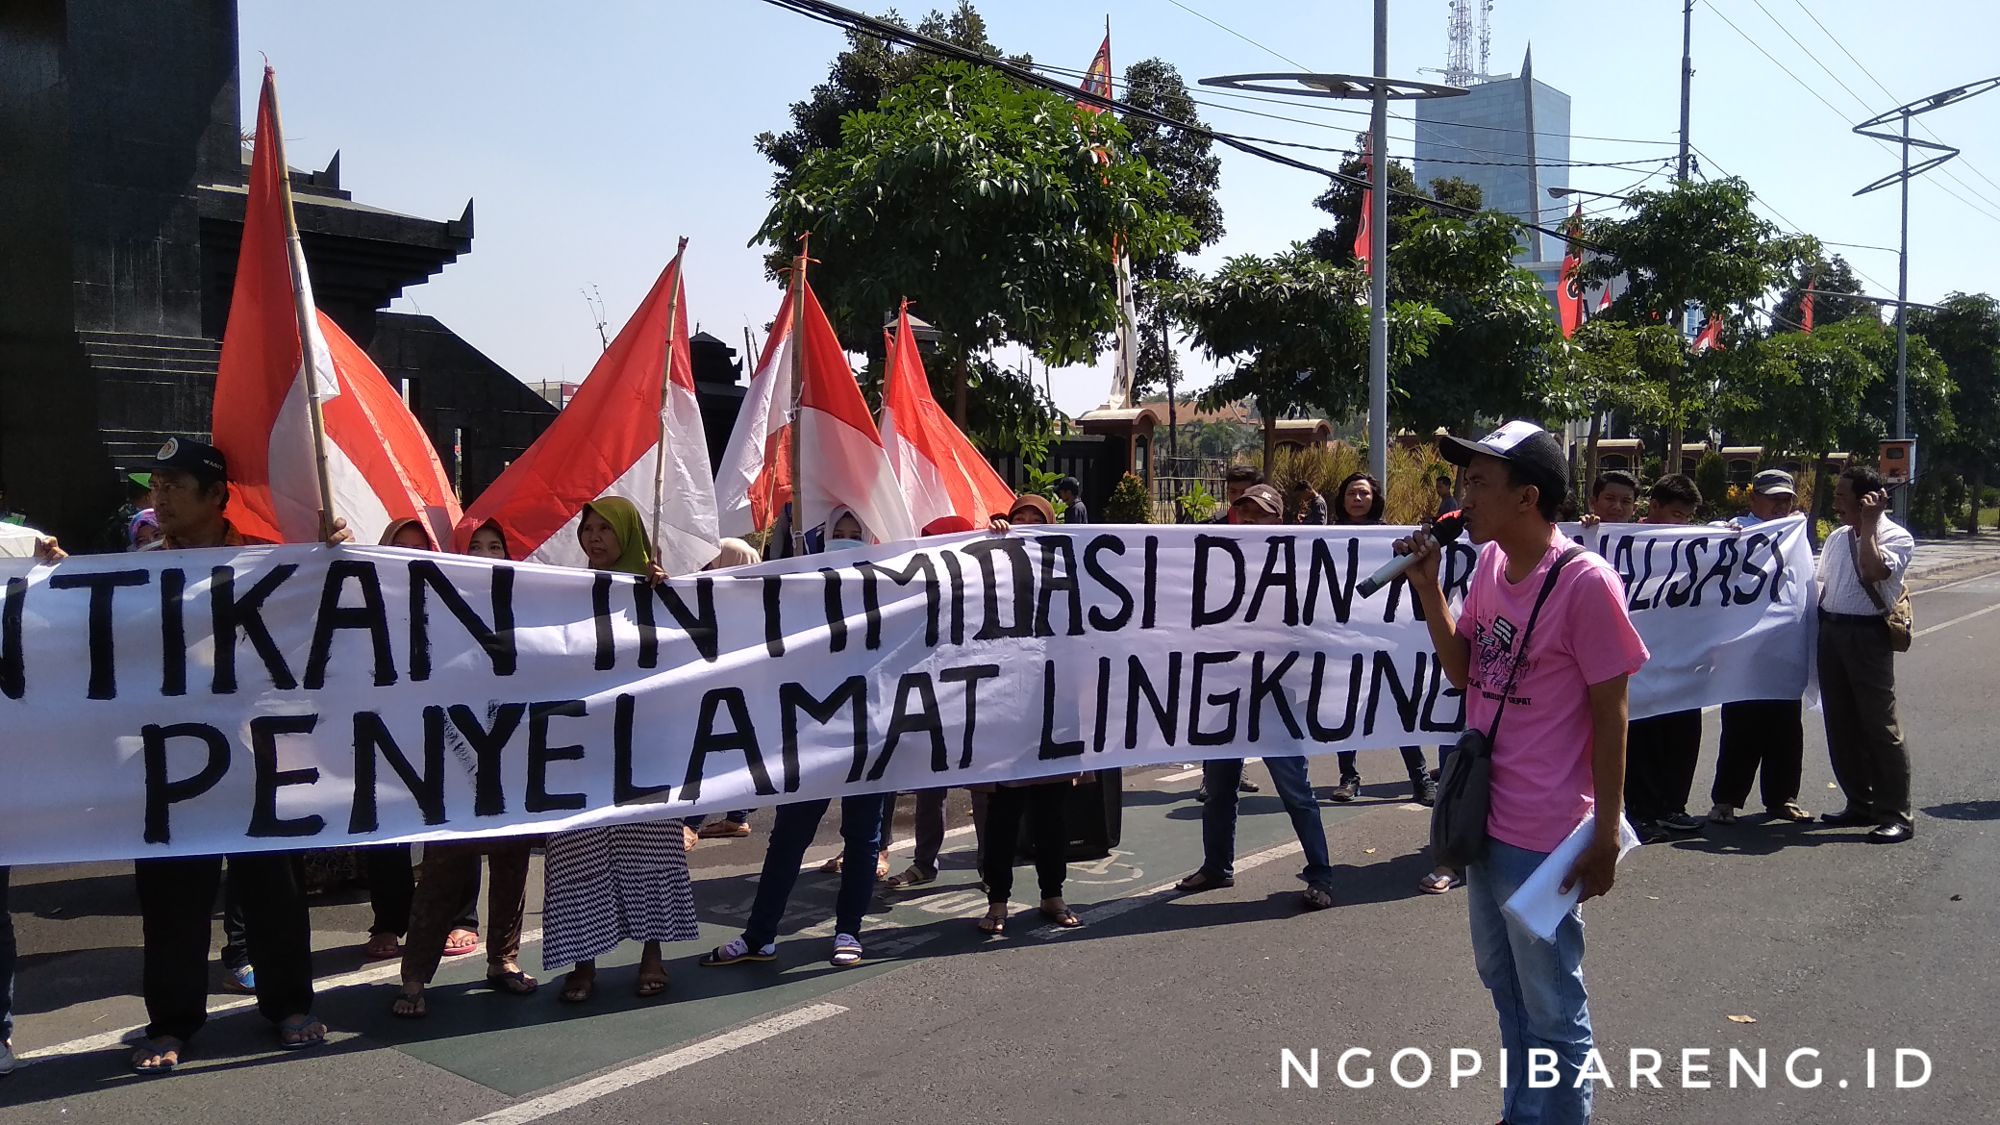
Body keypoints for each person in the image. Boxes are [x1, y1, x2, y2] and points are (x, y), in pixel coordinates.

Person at [1398, 421, 1648, 1125]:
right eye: (1465, 481)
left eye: (1479, 482)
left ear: (1527, 496)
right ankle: (1523, 1112)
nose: (1463, 497)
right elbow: (1464, 669)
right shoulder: (1486, 566)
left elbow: (1613, 715)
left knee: (1552, 1005)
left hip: (1545, 834)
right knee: (1503, 985)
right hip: (1486, 821)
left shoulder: (1586, 583)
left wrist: (1604, 833)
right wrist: (1427, 589)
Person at [130, 437, 348, 1073]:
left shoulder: (267, 566)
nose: (159, 498)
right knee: (172, 895)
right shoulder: (135, 568)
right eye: (156, 486)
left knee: (272, 888)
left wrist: (328, 553)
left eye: (174, 485)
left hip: (258, 755)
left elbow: (325, 614)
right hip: (171, 761)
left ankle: (288, 1004)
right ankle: (172, 1021)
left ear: (217, 495)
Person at [702, 508, 891, 967]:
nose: (845, 541)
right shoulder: (802, 592)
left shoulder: (889, 594)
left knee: (863, 839)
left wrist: (994, 537)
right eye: (838, 534)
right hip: (812, 737)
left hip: (868, 736)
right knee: (788, 839)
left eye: (854, 535)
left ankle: (848, 932)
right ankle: (759, 936)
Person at [541, 497, 699, 1003]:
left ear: (629, 533)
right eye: (588, 529)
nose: (595, 538)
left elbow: (686, 649)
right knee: (579, 851)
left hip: (644, 744)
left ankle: (653, 955)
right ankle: (582, 962)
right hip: (581, 749)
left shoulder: (657, 592)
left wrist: (664, 593)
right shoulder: (565, 595)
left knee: (648, 849)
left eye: (606, 529)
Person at [387, 518, 538, 1017]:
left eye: (498, 545)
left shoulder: (529, 605)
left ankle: (503, 961)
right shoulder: (435, 606)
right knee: (443, 869)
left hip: (511, 752)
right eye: (477, 546)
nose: (488, 553)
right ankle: (414, 976)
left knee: (512, 864)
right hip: (452, 758)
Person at [1175, 484, 1338, 911]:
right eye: (1242, 512)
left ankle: (1321, 873)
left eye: (1260, 514)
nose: (1248, 520)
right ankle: (1216, 866)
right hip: (1225, 690)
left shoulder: (1297, 565)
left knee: (1295, 789)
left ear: (1278, 521)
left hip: (1275, 694)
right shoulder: (1212, 563)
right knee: (1219, 788)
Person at [886, 516, 988, 891]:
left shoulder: (982, 588)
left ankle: (989, 867)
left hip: (976, 698)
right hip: (931, 700)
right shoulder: (915, 591)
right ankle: (924, 862)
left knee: (983, 787)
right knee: (931, 786)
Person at [1816, 465, 1916, 844]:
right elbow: (1823, 586)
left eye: (1843, 496)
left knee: (1880, 726)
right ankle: (1860, 801)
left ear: (1866, 500)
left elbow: (1872, 571)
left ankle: (1897, 815)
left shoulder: (1896, 536)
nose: (1836, 503)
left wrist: (1871, 525)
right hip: (1832, 632)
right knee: (1841, 724)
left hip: (1868, 635)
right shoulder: (1838, 537)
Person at [1708, 471, 1814, 825]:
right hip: (1744, 649)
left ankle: (1782, 797)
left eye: (1786, 499)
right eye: (1772, 498)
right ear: (1754, 500)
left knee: (1785, 727)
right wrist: (1724, 535)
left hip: (1785, 646)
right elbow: (1703, 550)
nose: (1780, 505)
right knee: (1740, 726)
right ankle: (1726, 799)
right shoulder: (1735, 528)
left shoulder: (1795, 531)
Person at [1328, 472, 1435, 806]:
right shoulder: (1323, 536)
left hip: (1385, 635)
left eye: (1363, 494)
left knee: (1399, 707)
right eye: (1351, 494)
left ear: (1375, 498)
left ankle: (1420, 779)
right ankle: (1349, 778)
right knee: (1347, 708)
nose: (1357, 499)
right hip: (1344, 637)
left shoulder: (1392, 539)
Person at [1624, 473, 1705, 843]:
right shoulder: (1624, 540)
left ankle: (1673, 807)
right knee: (1641, 737)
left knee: (1682, 732)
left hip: (1680, 658)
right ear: (1653, 506)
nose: (1682, 524)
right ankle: (1640, 811)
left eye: (1687, 517)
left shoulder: (1694, 544)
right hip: (1637, 662)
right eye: (1675, 514)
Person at [692, 538, 764, 841]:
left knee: (717, 743)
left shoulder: (739, 560)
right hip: (720, 671)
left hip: (739, 673)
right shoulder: (698, 572)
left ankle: (691, 823)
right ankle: (737, 817)